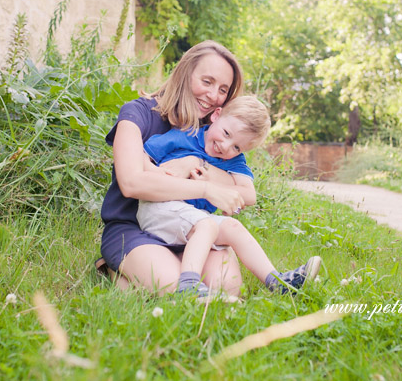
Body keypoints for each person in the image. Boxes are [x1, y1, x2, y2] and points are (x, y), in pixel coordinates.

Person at [98, 40, 249, 296]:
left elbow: (244, 191)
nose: (213, 96)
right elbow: (132, 182)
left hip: (193, 230)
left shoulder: (215, 133)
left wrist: (195, 163)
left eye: (223, 89)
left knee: (228, 287)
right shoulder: (137, 114)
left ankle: (144, 281)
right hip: (134, 228)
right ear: (184, 73)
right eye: (207, 82)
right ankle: (114, 270)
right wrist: (204, 189)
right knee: (174, 287)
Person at [137, 96, 322, 297]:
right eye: (226, 133)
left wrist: (212, 180)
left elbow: (249, 195)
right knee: (206, 225)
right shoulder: (184, 136)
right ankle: (188, 286)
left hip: (191, 216)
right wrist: (155, 173)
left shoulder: (233, 161)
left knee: (234, 227)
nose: (226, 147)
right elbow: (141, 155)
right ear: (216, 115)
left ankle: (277, 282)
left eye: (237, 147)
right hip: (158, 208)